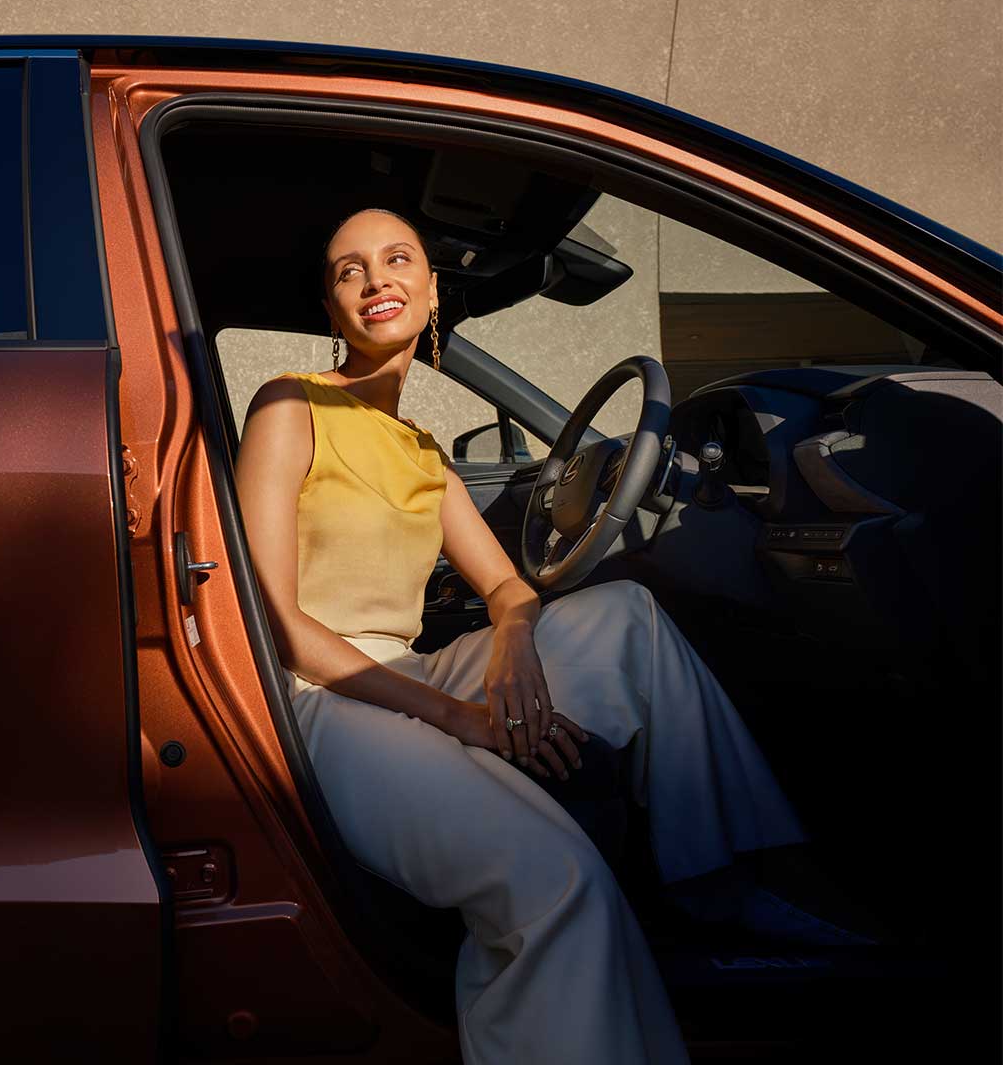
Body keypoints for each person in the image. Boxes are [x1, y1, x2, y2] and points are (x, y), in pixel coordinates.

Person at [235, 207, 869, 1065]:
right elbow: (276, 622)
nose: (376, 279)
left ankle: (725, 883)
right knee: (558, 881)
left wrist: (514, 644)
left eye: (396, 260)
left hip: (412, 675)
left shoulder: (421, 449)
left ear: (431, 292)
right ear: (332, 306)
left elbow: (507, 586)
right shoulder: (290, 404)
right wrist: (460, 718)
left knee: (627, 617)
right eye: (351, 270)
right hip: (318, 701)